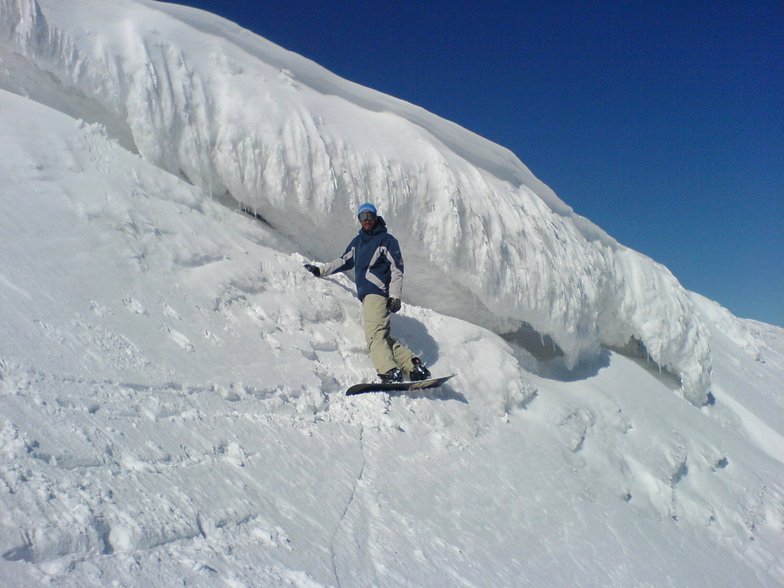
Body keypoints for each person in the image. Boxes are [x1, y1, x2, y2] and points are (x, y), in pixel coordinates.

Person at [304, 203, 431, 383]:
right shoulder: (358, 242)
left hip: (376, 294)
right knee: (381, 337)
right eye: (362, 217)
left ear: (375, 216)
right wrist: (321, 270)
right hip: (368, 297)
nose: (367, 221)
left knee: (373, 339)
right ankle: (414, 366)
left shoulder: (386, 240)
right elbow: (343, 261)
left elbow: (397, 270)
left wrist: (395, 296)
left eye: (369, 216)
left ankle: (389, 371)